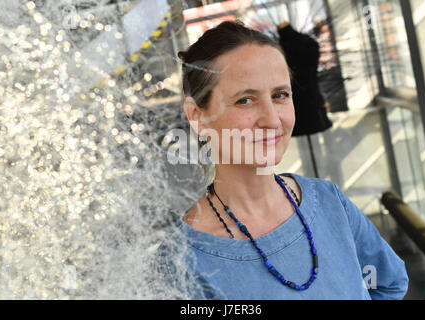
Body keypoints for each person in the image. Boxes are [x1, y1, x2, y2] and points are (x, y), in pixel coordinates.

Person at [173, 19, 408, 299]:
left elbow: (388, 285)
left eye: (280, 95)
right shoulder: (182, 263)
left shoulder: (330, 202)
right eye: (245, 100)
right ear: (197, 116)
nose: (272, 120)